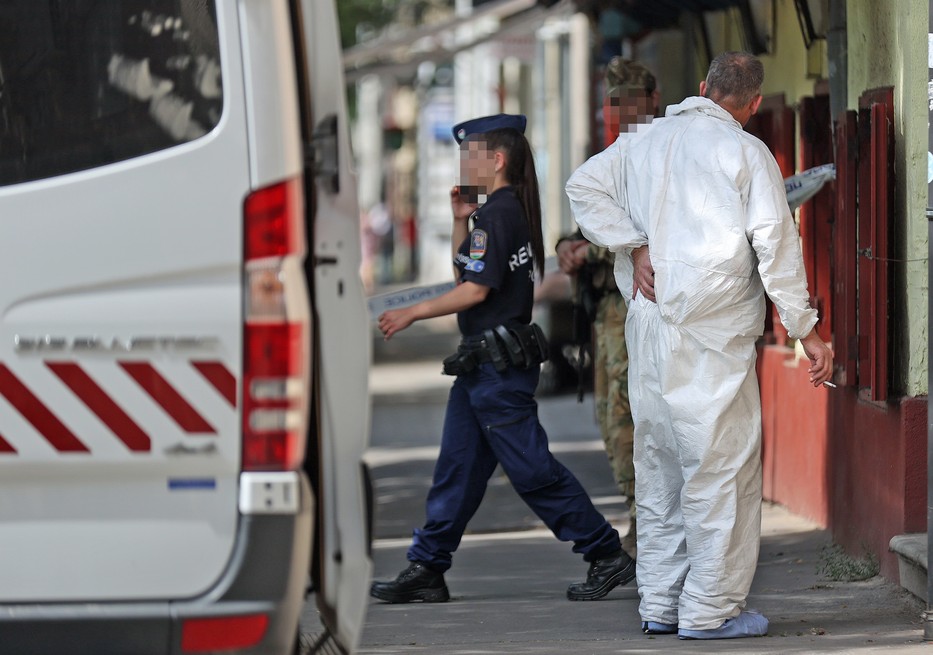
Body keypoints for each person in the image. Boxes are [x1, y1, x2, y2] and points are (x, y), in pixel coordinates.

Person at [566, 52, 833, 639]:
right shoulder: (747, 153)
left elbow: (582, 185)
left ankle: (659, 604)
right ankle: (710, 610)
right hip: (712, 334)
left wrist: (632, 245)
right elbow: (776, 249)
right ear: (755, 104)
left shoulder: (644, 141)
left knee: (659, 464)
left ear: (703, 86)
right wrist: (806, 330)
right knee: (719, 470)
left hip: (650, 323)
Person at [370, 113, 634, 604]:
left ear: (495, 159)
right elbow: (466, 275)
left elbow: (474, 291)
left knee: (532, 470)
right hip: (481, 368)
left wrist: (411, 313)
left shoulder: (500, 214)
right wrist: (457, 222)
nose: (461, 161)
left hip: (498, 369)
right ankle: (427, 566)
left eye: (469, 152)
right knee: (457, 468)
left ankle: (606, 553)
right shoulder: (499, 212)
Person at [558, 57, 660, 560]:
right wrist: (568, 245)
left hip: (638, 306)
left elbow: (652, 228)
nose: (622, 109)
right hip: (608, 312)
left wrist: (591, 251)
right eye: (614, 100)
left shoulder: (662, 153)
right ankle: (638, 516)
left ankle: (649, 524)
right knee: (611, 417)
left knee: (633, 415)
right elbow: (595, 219)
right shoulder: (614, 156)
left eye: (631, 99)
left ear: (652, 101)